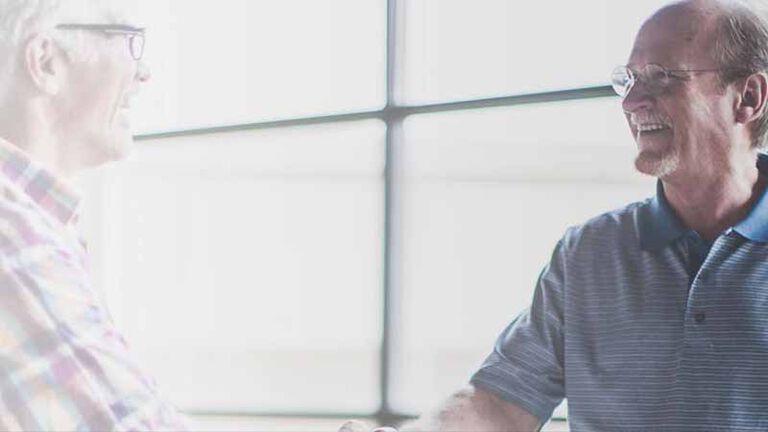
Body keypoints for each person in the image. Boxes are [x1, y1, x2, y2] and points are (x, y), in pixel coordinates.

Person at [343, 0, 768, 430]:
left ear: (747, 98)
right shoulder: (588, 254)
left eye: (661, 77)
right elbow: (500, 404)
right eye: (630, 80)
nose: (633, 101)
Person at [0, 0, 189, 429]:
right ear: (45, 62)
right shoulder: (12, 232)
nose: (143, 73)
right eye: (127, 41)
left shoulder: (39, 222)